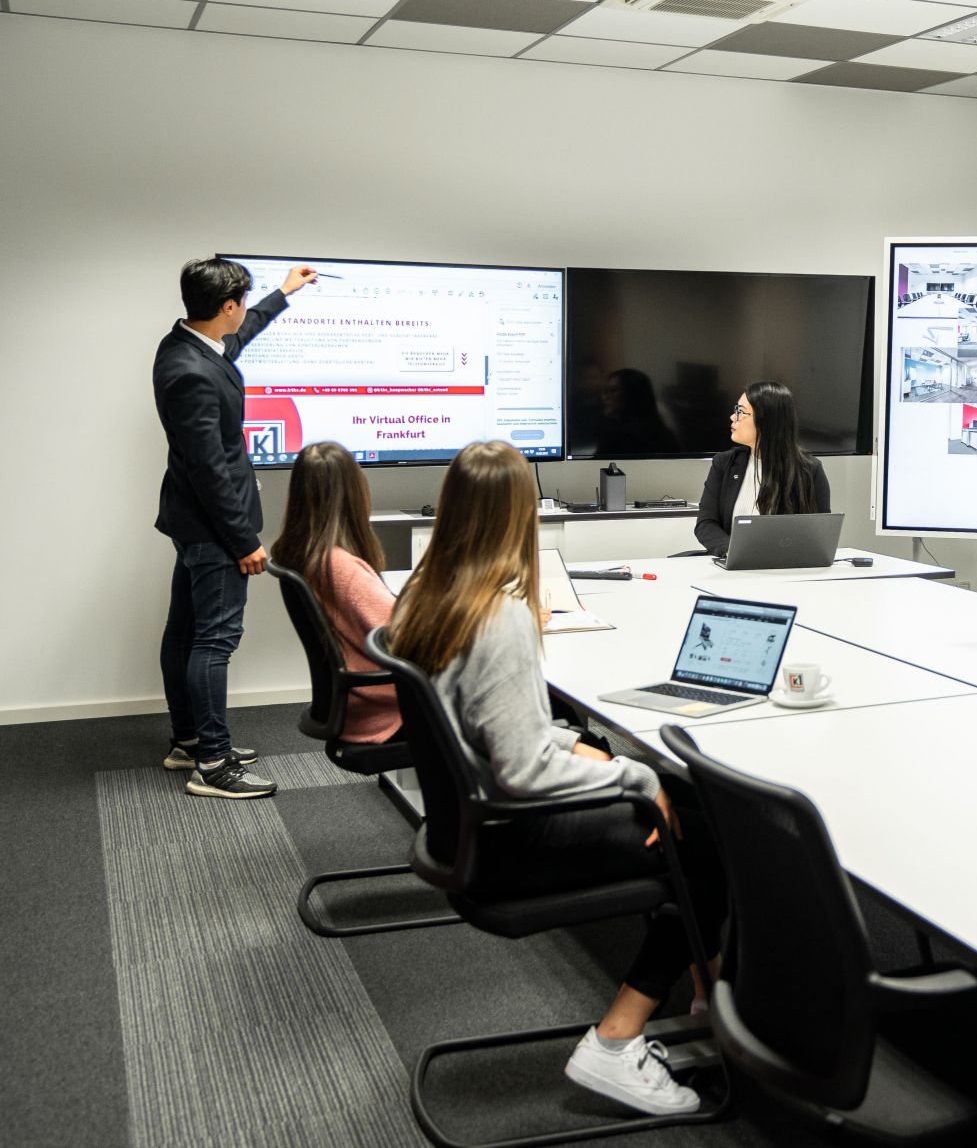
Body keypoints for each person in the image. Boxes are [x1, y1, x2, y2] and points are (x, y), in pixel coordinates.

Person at [388, 440, 723, 1116]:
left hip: (468, 827)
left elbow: (493, 726)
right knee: (708, 842)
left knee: (682, 801)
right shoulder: (500, 613)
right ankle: (618, 1040)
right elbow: (523, 768)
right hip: (510, 839)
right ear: (519, 515)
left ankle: (712, 1003)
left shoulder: (426, 596)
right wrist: (632, 776)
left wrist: (584, 748)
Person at [154, 255, 316, 797]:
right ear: (226, 305)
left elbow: (238, 337)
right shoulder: (193, 373)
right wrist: (244, 540)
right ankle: (214, 763)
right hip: (214, 528)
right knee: (214, 642)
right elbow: (209, 469)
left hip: (192, 521)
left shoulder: (185, 344)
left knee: (185, 633)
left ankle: (191, 741)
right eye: (242, 302)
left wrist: (283, 293)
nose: (243, 312)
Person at [272, 441, 401, 744]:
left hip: (357, 703)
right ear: (354, 492)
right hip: (384, 711)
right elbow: (405, 633)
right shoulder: (340, 566)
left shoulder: (303, 553)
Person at [693, 380, 830, 557]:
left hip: (786, 564)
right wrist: (731, 551)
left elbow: (821, 530)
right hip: (731, 562)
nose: (733, 417)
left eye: (741, 412)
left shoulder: (809, 469)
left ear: (767, 420)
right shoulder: (725, 463)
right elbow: (706, 523)